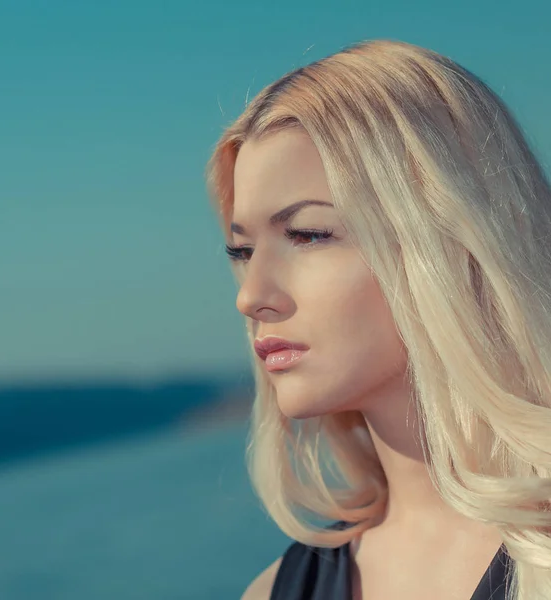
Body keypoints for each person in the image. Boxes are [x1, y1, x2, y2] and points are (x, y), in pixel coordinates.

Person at [205, 39, 551, 600]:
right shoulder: (274, 592)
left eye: (308, 234)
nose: (252, 297)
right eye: (242, 252)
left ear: (449, 240)